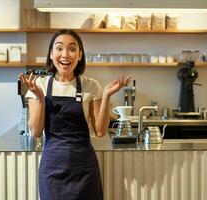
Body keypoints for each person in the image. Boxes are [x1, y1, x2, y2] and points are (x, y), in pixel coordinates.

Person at [19, 29, 130, 200]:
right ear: (51, 54)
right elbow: (35, 131)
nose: (65, 54)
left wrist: (107, 95)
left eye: (72, 49)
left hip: (84, 170)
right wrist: (40, 98)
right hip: (52, 170)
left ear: (79, 55)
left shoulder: (91, 86)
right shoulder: (39, 85)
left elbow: (100, 131)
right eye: (59, 48)